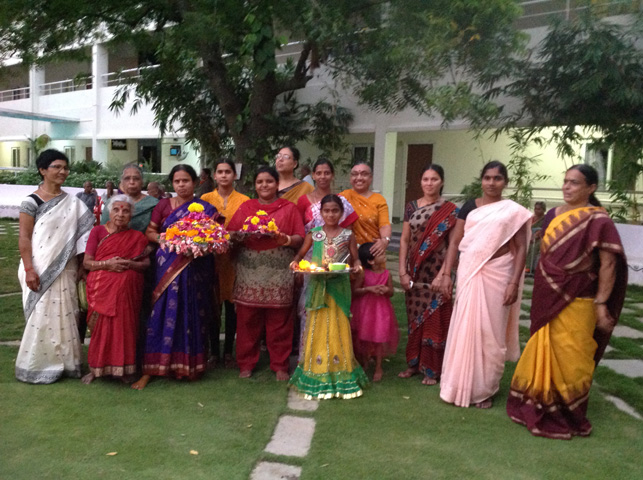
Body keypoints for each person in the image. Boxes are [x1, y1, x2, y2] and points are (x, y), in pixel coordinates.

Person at [507, 165, 627, 439]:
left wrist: (601, 303)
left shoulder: (599, 221)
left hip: (579, 297)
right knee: (542, 347)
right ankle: (536, 403)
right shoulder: (552, 215)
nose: (567, 187)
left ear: (591, 188)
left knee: (574, 356)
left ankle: (567, 413)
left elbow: (609, 265)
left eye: (574, 183)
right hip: (546, 293)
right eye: (565, 182)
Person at [438, 161, 531, 408]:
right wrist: (446, 273)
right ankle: (457, 385)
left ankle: (485, 388)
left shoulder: (513, 211)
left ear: (505, 182)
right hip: (470, 272)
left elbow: (521, 247)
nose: (492, 183)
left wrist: (514, 282)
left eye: (497, 178)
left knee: (491, 332)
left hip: (499, 273)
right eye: (487, 178)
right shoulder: (469, 207)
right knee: (465, 328)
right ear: (481, 180)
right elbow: (455, 242)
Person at [132, 165, 218, 390]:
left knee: (191, 311)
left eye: (186, 180)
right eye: (177, 181)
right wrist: (168, 241)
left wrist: (196, 246)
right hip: (167, 264)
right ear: (172, 183)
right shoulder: (163, 205)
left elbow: (215, 237)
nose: (181, 185)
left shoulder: (205, 208)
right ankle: (152, 369)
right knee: (161, 313)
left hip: (194, 266)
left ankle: (188, 366)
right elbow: (150, 231)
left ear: (196, 182)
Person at [15, 149, 94, 384]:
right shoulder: (31, 202)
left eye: (65, 168)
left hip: (66, 268)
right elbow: (24, 238)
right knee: (41, 315)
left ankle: (67, 364)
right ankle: (37, 365)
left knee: (66, 313)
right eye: (57, 167)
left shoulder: (74, 203)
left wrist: (82, 266)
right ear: (43, 170)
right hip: (38, 267)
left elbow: (83, 237)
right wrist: (30, 269)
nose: (63, 172)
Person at [227, 166, 305, 380]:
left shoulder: (288, 208)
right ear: (255, 185)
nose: (264, 185)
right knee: (247, 319)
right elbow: (230, 233)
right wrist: (240, 235)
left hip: (279, 271)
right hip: (249, 270)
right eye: (260, 182)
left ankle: (279, 364)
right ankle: (246, 363)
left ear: (277, 184)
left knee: (279, 320)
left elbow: (300, 237)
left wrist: (284, 239)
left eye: (269, 181)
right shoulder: (246, 207)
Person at [289, 194, 368, 398]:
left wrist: (357, 267)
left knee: (338, 325)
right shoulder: (314, 234)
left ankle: (339, 369)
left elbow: (355, 259)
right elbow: (300, 254)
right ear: (321, 213)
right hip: (318, 285)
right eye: (327, 211)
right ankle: (316, 369)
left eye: (335, 211)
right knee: (317, 324)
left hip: (339, 286)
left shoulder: (348, 235)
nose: (331, 214)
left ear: (341, 213)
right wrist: (295, 263)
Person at [398, 165, 459, 385]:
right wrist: (402, 271)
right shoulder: (411, 207)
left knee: (434, 317)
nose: (429, 183)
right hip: (415, 269)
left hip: (437, 269)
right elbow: (405, 239)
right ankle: (414, 363)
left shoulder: (450, 209)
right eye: (425, 179)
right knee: (415, 318)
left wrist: (444, 274)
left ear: (442, 182)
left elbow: (453, 243)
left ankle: (432, 369)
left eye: (434, 179)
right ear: (420, 182)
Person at [82, 195, 150, 384]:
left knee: (125, 327)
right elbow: (87, 263)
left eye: (125, 211)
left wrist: (128, 264)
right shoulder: (97, 232)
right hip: (101, 288)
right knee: (101, 329)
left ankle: (125, 370)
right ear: (109, 212)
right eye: (116, 210)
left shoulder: (137, 237)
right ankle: (96, 369)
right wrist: (108, 264)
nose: (120, 214)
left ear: (131, 215)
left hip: (127, 293)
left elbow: (145, 264)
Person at [201, 158, 250, 367]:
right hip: (210, 259)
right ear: (214, 176)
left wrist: (236, 237)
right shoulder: (205, 198)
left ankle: (228, 351)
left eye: (227, 172)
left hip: (234, 258)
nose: (223, 175)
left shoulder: (245, 200)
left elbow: (248, 228)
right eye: (219, 172)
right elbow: (199, 226)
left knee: (232, 307)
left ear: (234, 175)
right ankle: (213, 352)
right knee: (213, 306)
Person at [351, 243, 398, 382]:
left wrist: (386, 290)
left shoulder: (387, 274)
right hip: (366, 310)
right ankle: (365, 362)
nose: (384, 256)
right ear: (370, 261)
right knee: (364, 336)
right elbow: (355, 291)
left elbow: (391, 292)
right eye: (381, 255)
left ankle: (378, 366)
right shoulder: (363, 274)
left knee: (380, 337)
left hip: (381, 311)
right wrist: (369, 289)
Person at [340, 162, 392, 259]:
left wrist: (385, 240)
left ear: (371, 178)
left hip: (372, 251)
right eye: (355, 174)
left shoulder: (378, 199)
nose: (359, 178)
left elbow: (384, 224)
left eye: (364, 174)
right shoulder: (343, 197)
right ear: (350, 178)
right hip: (348, 252)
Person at [101, 164, 159, 233]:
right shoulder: (111, 203)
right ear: (121, 182)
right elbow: (102, 231)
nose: (131, 182)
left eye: (136, 179)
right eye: (127, 178)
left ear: (142, 182)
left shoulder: (154, 204)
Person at [526, 201, 546, 274]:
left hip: (540, 238)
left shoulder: (545, 219)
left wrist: (535, 236)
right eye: (535, 209)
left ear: (543, 210)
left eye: (539, 209)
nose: (536, 210)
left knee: (533, 247)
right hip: (529, 236)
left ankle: (528, 268)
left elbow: (543, 229)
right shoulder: (531, 218)